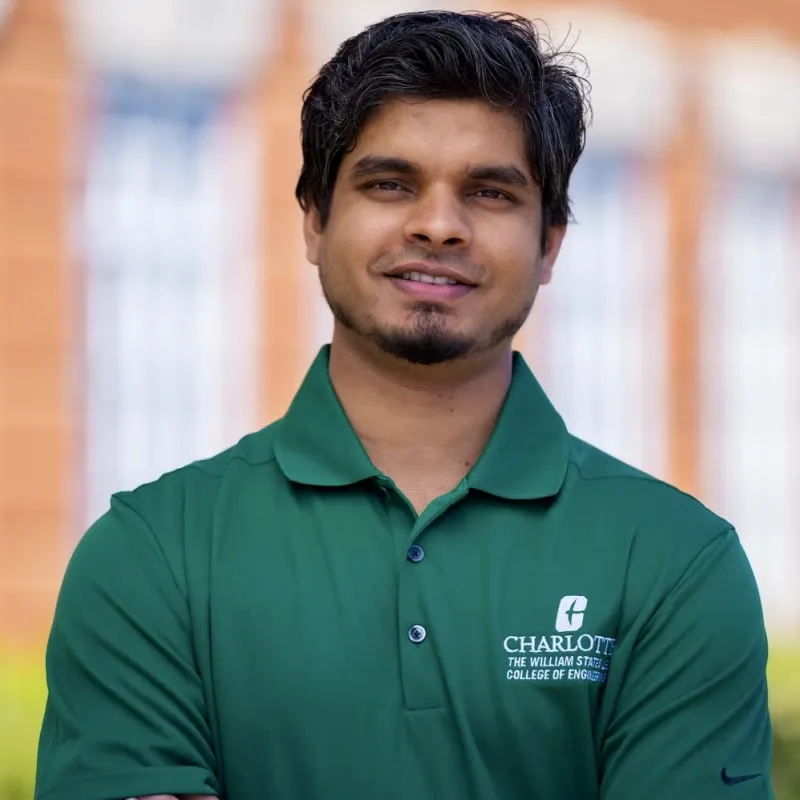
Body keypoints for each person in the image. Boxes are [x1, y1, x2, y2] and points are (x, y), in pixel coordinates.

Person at [35, 10, 773, 800]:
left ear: (550, 243)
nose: (437, 226)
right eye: (390, 184)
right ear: (315, 218)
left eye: (490, 192)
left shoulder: (672, 562)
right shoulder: (153, 556)